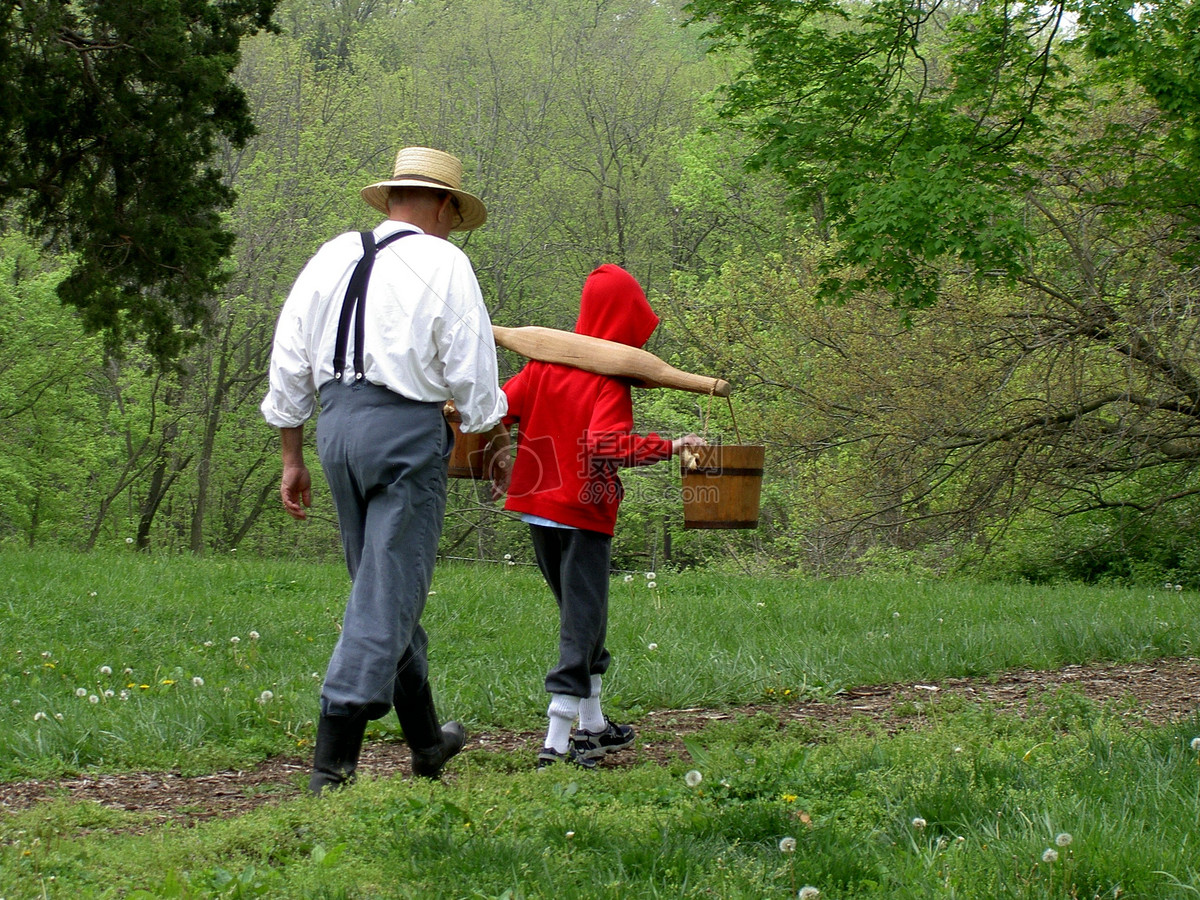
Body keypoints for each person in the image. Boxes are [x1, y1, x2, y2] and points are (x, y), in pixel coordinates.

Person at [261, 146, 511, 794]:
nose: (454, 228)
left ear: (394, 197)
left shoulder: (333, 256)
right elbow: (476, 386)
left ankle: (428, 744)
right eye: (455, 215)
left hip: (335, 433)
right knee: (384, 597)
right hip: (404, 440)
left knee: (384, 591)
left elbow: (289, 358)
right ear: (444, 206)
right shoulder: (446, 263)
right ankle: (330, 761)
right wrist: (491, 425)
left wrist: (292, 456)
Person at [499, 264, 704, 768]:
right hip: (583, 511)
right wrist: (672, 445)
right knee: (581, 621)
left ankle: (592, 725)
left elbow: (498, 406)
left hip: (536, 506)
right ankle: (557, 738)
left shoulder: (542, 366)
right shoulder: (608, 380)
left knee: (582, 616)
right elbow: (604, 444)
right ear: (626, 320)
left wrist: (483, 435)